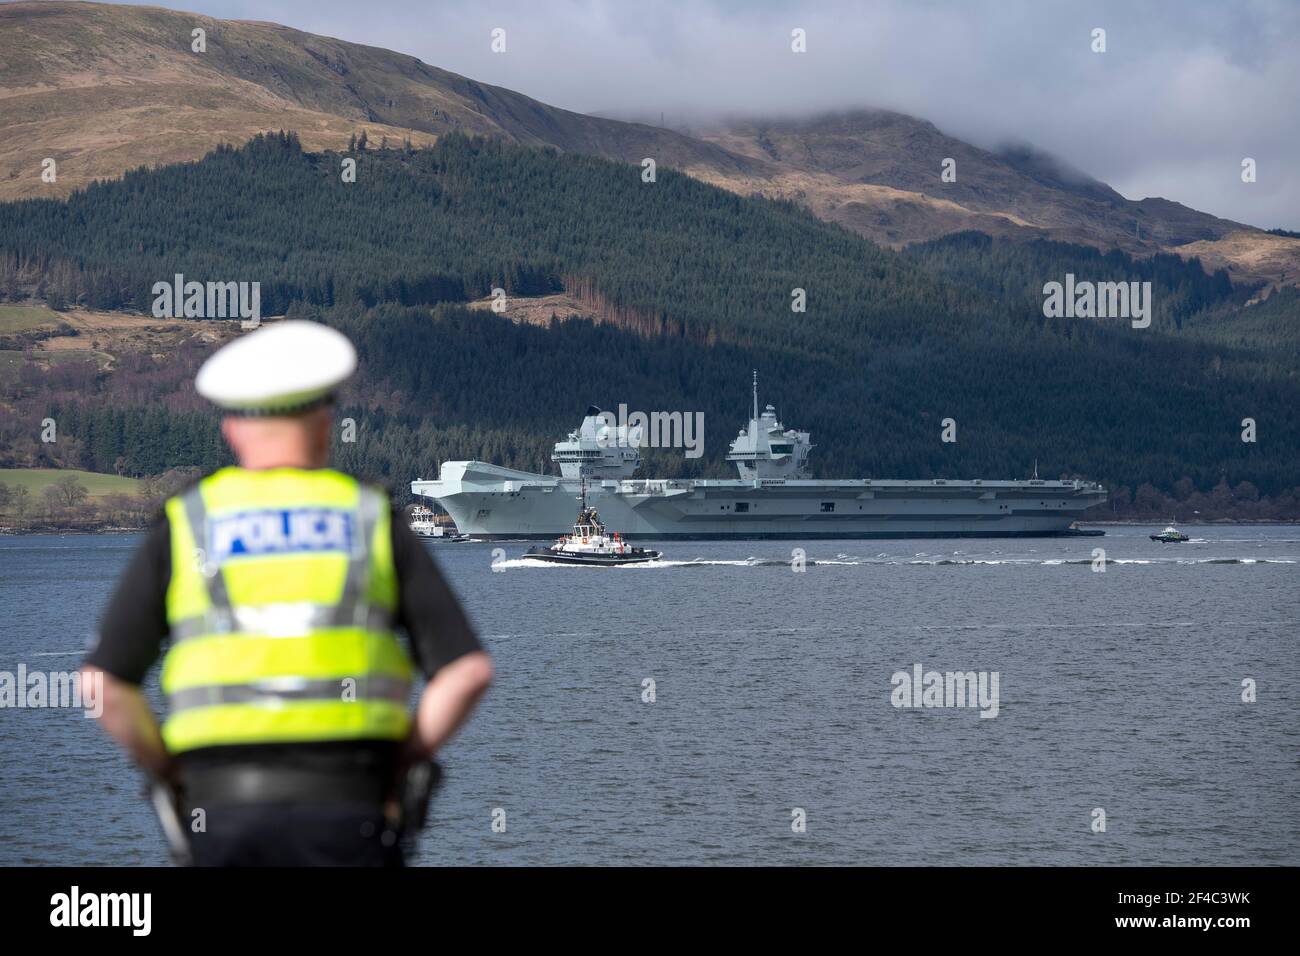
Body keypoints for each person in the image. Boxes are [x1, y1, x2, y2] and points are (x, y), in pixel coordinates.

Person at [81, 320, 492, 866]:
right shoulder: (369, 518)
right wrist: (405, 759)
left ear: (231, 427)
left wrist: (169, 770)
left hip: (220, 814)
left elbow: (101, 686)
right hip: (353, 810)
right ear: (325, 420)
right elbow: (468, 672)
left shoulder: (189, 523)